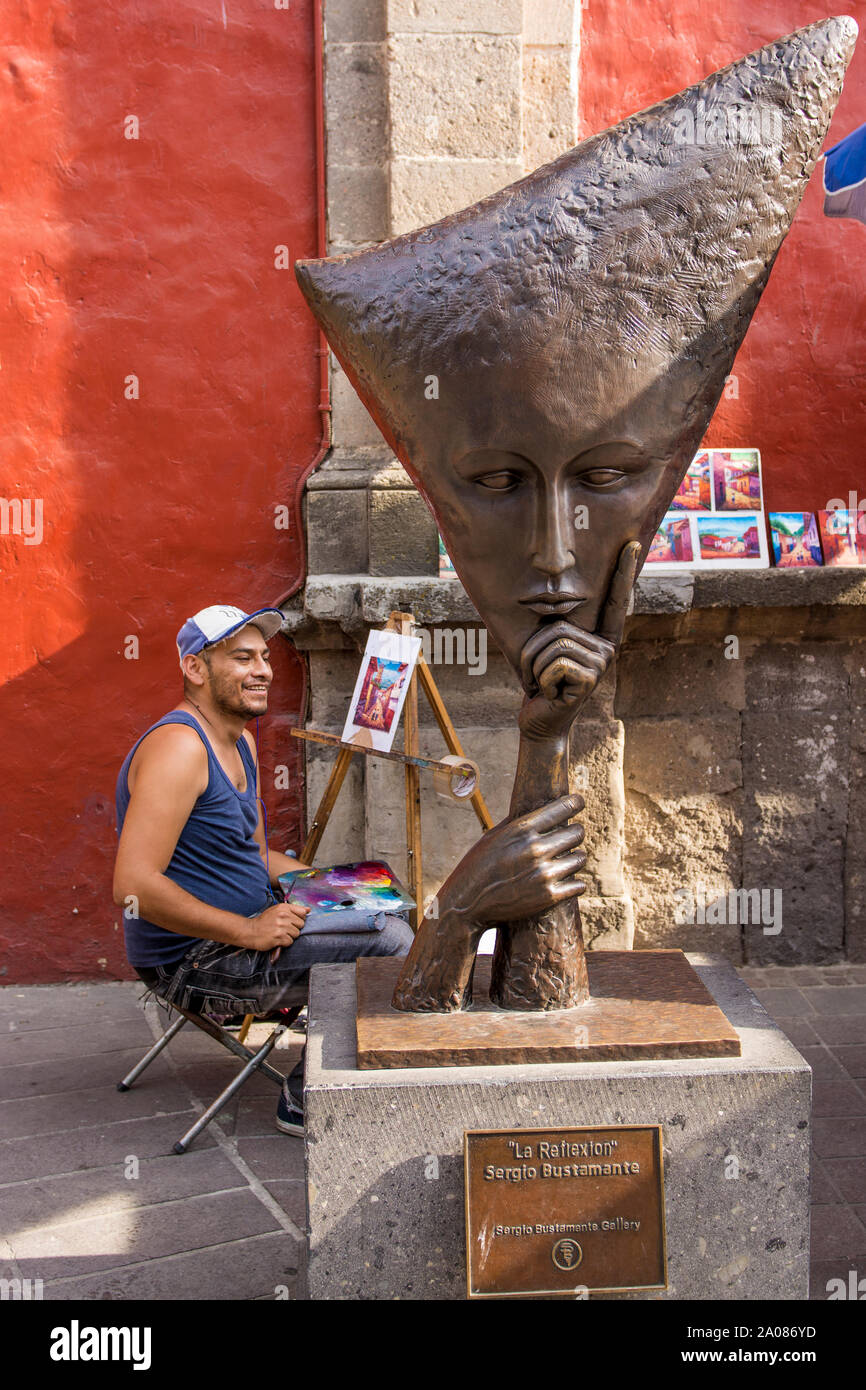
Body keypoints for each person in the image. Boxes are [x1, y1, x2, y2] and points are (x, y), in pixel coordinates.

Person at [114, 604, 414, 1134]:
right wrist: (249, 930)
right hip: (196, 961)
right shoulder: (180, 748)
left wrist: (334, 888)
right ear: (195, 669)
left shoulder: (241, 742)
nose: (263, 670)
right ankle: (303, 1101)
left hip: (254, 928)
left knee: (384, 900)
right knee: (392, 943)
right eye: (241, 657)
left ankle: (348, 1055)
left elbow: (253, 855)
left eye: (264, 656)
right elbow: (133, 885)